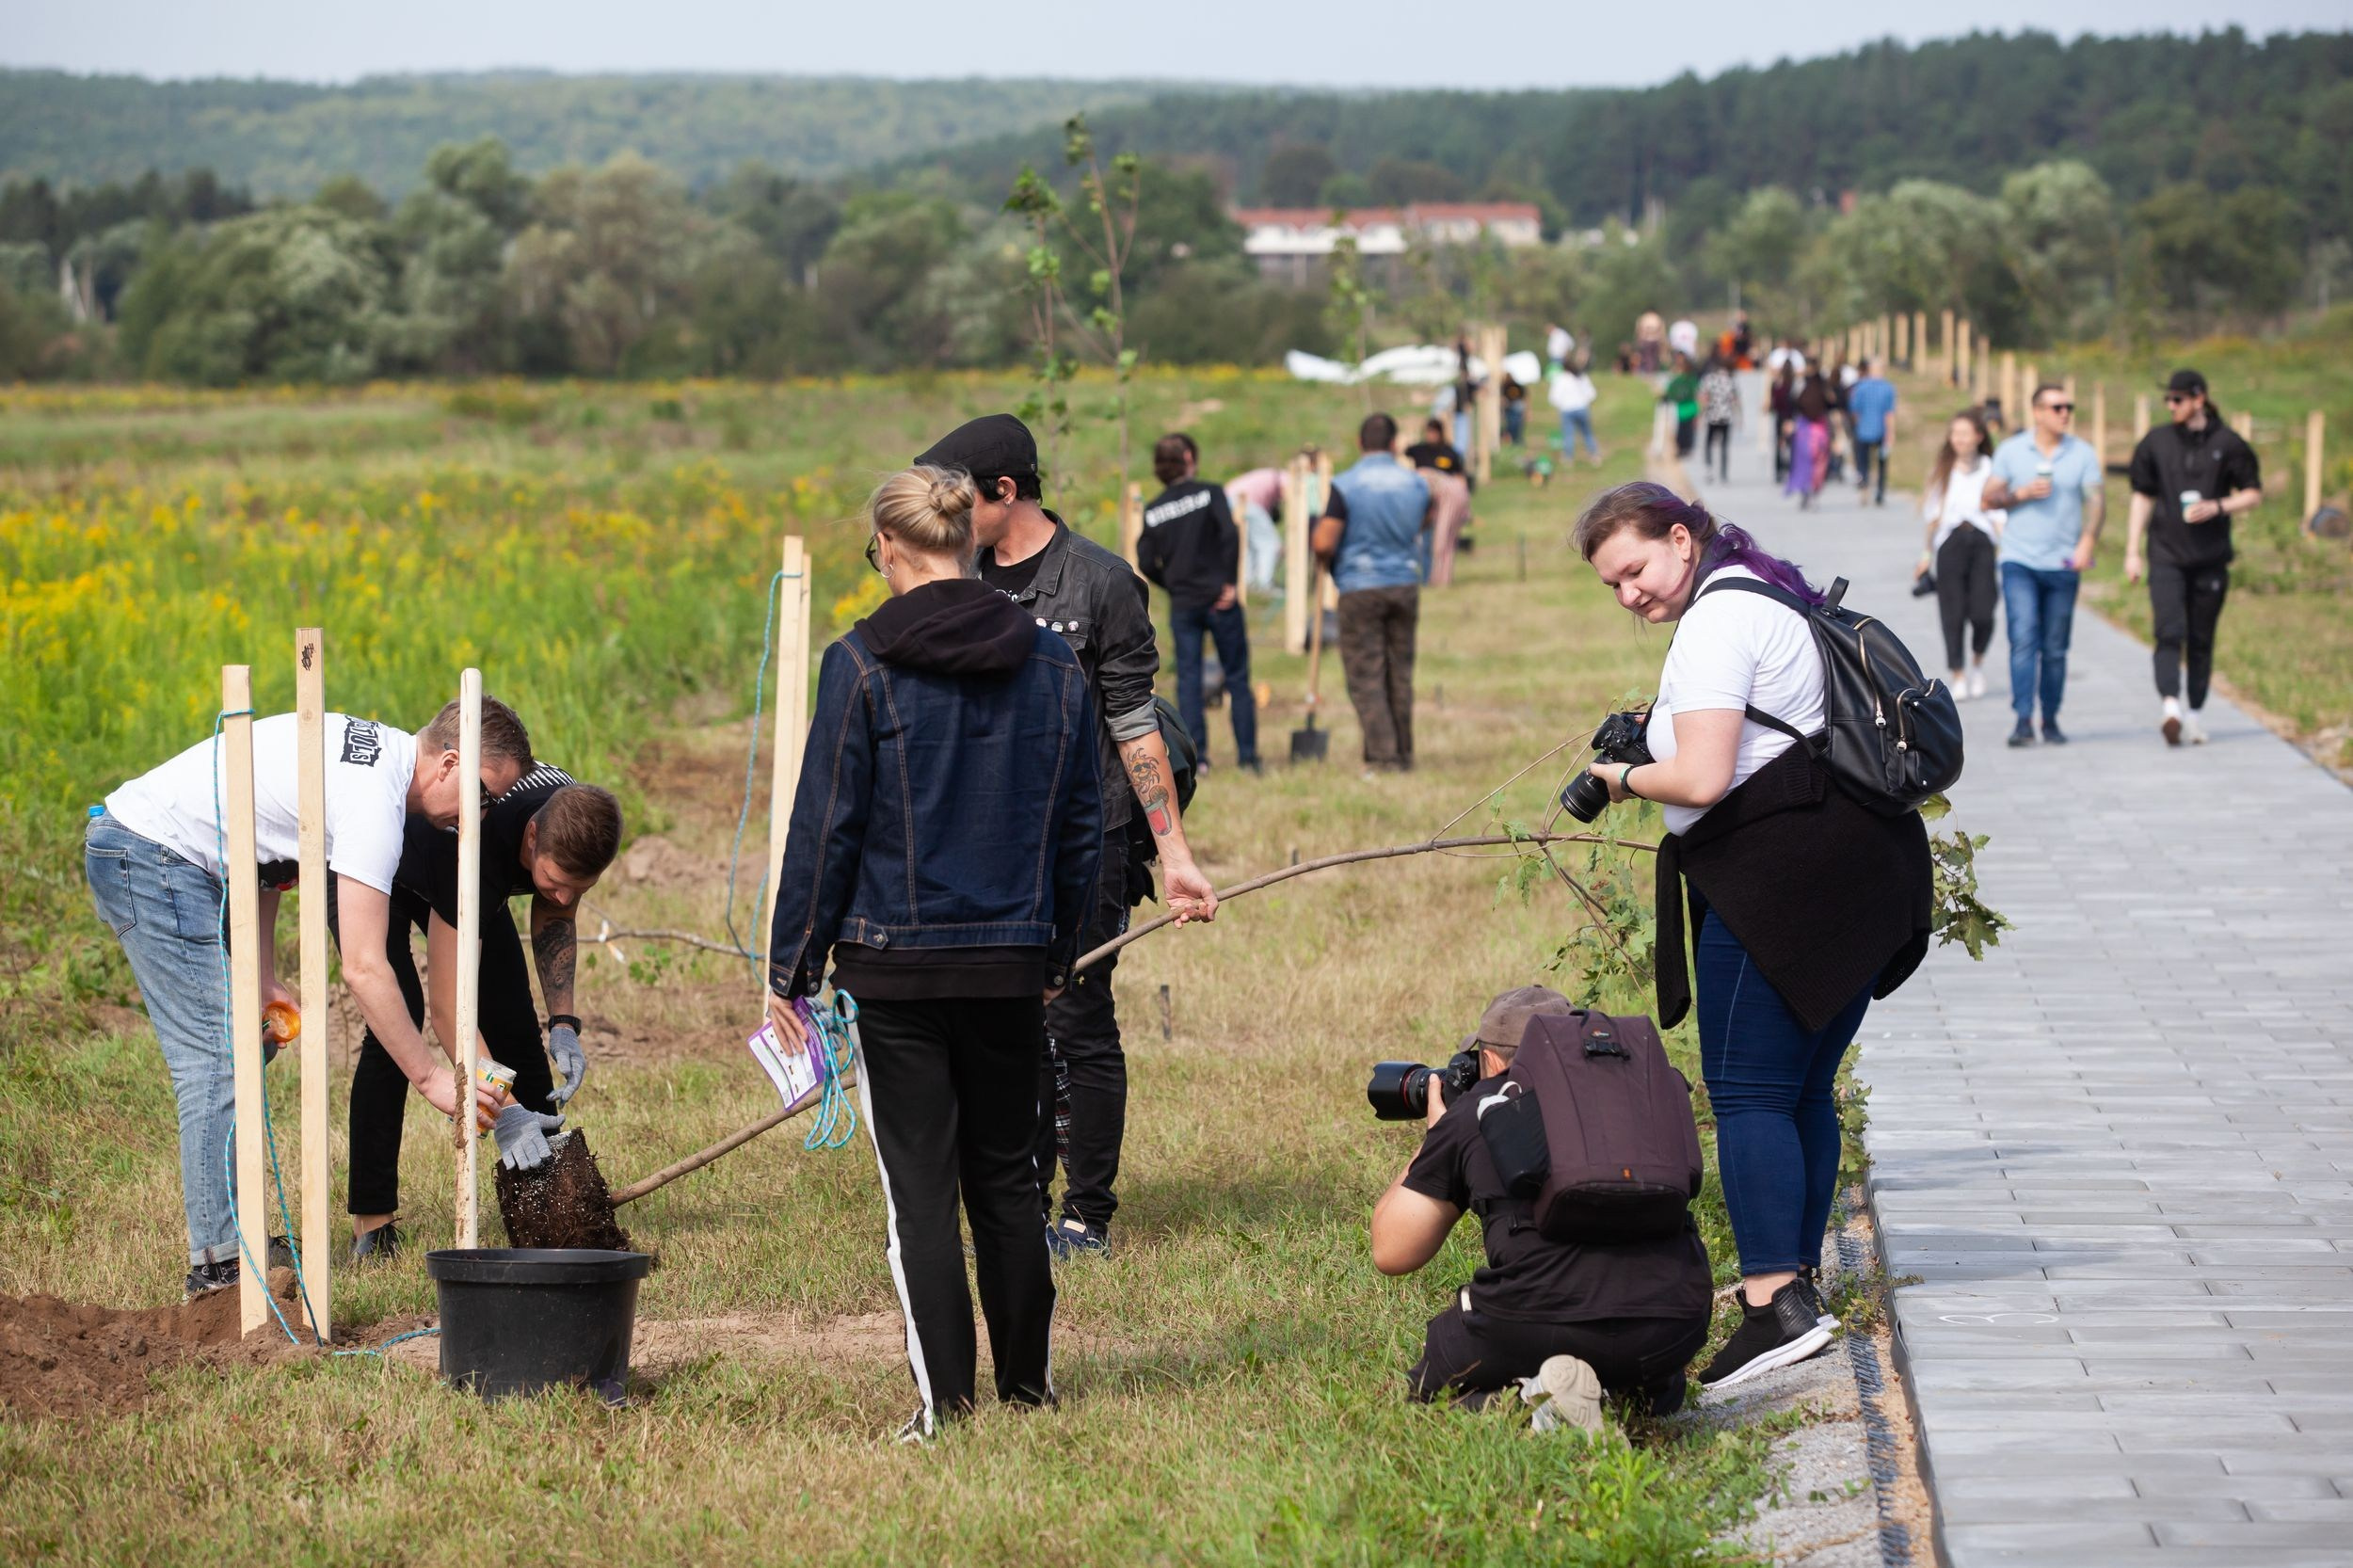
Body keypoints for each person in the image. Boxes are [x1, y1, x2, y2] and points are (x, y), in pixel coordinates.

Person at [765, 466, 1104, 1442]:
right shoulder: (1052, 660)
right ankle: (1028, 1391)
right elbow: (1083, 825)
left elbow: (826, 824)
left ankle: (943, 1408)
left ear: (888, 548)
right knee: (1008, 1181)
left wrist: (790, 965)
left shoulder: (862, 659)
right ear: (968, 539)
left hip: (893, 970)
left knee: (918, 1192)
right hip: (1011, 963)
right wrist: (1060, 952)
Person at [1571, 482, 1931, 1388]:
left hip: (1783, 883)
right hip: (1860, 870)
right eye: (1611, 585)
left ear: (1681, 539)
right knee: (1802, 1090)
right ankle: (1797, 1286)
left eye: (1636, 569)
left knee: (1750, 1095)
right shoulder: (1765, 589)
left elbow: (1698, 778)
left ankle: (1773, 1303)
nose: (1630, 596)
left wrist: (1618, 777)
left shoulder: (1715, 624)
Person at [87, 699, 526, 1296]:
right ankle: (217, 1267)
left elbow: (267, 857)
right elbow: (366, 969)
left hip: (168, 856)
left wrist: (262, 971)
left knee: (239, 1050)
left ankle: (229, 1234)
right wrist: (430, 1079)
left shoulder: (377, 763)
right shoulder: (375, 802)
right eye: (481, 795)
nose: (479, 815)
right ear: (449, 762)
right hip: (153, 857)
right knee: (217, 1061)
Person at [915, 413, 1218, 1260]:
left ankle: (1086, 1214)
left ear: (1005, 493)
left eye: (955, 498)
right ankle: (1017, 1200)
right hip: (982, 841)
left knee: (1076, 1019)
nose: (941, 516)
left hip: (1088, 839)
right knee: (1002, 1024)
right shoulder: (954, 574)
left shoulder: (1101, 583)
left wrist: (1178, 854)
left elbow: (1135, 724)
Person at [1371, 985, 1714, 1429]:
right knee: (1655, 1384)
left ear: (1490, 1061)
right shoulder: (1640, 1090)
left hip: (1538, 1317)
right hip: (1674, 1318)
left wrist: (1436, 1138)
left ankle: (1534, 1403)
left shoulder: (1480, 1106)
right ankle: (1620, 1396)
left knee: (1429, 1396)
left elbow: (1393, 1251)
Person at [338, 769, 624, 1262]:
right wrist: (504, 1110)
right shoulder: (478, 849)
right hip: (384, 866)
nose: (561, 896)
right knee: (396, 1016)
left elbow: (555, 914)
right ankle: (373, 1224)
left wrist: (563, 1025)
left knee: (513, 1019)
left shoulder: (574, 817)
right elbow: (450, 1010)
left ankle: (553, 1199)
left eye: (577, 888)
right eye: (554, 881)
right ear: (532, 837)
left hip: (468, 880)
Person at [2124, 369, 2263, 747]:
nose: (2171, 405)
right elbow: (2142, 496)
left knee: (2202, 638)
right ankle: (2171, 708)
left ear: (2199, 399)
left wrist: (2218, 506)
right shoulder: (2156, 441)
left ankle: (2196, 717)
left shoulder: (2229, 443)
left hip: (2210, 557)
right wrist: (2132, 551)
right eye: (2168, 399)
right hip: (2165, 553)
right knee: (2168, 631)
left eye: (2178, 399)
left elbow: (2253, 493)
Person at [1985, 385, 2105, 748]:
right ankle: (2022, 719)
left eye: (2068, 406)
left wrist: (2087, 542)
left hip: (2064, 563)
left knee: (2054, 647)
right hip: (2019, 559)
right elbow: (1988, 498)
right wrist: (2020, 494)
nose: (2064, 413)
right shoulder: (2012, 450)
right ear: (2037, 412)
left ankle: (2050, 718)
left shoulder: (2082, 453)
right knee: (2023, 637)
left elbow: (2097, 502)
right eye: (2056, 407)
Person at [1316, 412, 1433, 778]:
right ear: (1395, 443)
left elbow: (1324, 540)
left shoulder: (1345, 484)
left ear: (1359, 442)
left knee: (1367, 674)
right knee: (1399, 671)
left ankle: (1383, 759)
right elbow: (1425, 519)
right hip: (1404, 582)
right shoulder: (1415, 483)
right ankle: (1403, 752)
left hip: (1360, 585)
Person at [1137, 433, 1259, 775]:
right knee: (1236, 678)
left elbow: (1145, 560)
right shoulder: (1210, 493)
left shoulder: (1154, 510)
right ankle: (1248, 758)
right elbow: (1230, 536)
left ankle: (1198, 759)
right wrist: (1230, 583)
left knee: (1189, 680)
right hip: (1221, 601)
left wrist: (1173, 586)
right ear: (1189, 457)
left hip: (1185, 604)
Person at [1915, 409, 2004, 703]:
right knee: (1951, 613)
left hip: (1982, 542)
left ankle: (1977, 663)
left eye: (1965, 434)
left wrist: (2005, 548)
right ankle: (1958, 674)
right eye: (1955, 434)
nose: (1960, 440)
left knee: (1983, 611)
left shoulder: (1993, 468)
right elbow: (1932, 517)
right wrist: (1926, 555)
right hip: (1950, 543)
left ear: (1979, 436)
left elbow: (2001, 515)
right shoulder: (1943, 469)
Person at [1404, 417, 1474, 586]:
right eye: (1429, 431)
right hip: (1426, 502)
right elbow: (1402, 453)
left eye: (1434, 432)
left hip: (1446, 501)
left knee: (1443, 542)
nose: (1431, 435)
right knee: (1424, 542)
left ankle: (1441, 579)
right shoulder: (1418, 450)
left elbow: (1460, 477)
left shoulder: (1449, 452)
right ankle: (1427, 578)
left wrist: (1466, 509)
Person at [1785, 362, 1840, 507]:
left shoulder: (1801, 387)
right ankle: (1814, 491)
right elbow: (1832, 404)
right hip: (1820, 430)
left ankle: (1806, 492)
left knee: (1804, 462)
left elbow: (1792, 404)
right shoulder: (1823, 387)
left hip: (1804, 429)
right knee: (1819, 464)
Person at [1225, 465, 1286, 594]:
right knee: (1270, 544)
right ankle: (1265, 584)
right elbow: (1291, 491)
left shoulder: (1267, 476)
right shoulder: (1287, 478)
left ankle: (1249, 583)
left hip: (1228, 500)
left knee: (1248, 545)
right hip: (1246, 502)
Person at [1847, 358, 1897, 507]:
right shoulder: (1888, 388)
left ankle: (1864, 485)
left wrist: (1856, 427)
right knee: (1881, 462)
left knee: (1863, 461)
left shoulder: (1860, 387)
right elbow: (1890, 413)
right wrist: (1891, 432)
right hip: (1881, 430)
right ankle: (1880, 492)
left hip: (1863, 430)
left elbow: (1855, 411)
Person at [1549, 353, 1601, 466]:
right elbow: (1592, 394)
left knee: (1568, 434)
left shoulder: (1560, 379)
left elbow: (1554, 397)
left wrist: (1562, 405)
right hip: (1582, 407)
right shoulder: (1581, 377)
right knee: (1587, 433)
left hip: (1567, 409)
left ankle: (1568, 459)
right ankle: (1594, 456)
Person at [1698, 352, 1739, 484]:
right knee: (1724, 446)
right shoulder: (1730, 381)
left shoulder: (1709, 379)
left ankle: (1709, 469)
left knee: (1709, 444)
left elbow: (1704, 398)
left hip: (1712, 415)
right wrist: (1739, 416)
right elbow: (1735, 400)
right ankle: (1723, 473)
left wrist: (1700, 414)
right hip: (1726, 416)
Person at [1662, 352, 1701, 460]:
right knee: (1680, 431)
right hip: (1680, 408)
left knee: (1687, 431)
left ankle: (1686, 449)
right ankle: (1681, 449)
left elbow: (1695, 392)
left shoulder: (1689, 379)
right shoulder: (1676, 378)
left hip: (1689, 407)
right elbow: (1670, 391)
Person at [1500, 372, 1528, 446]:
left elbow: (1524, 397)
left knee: (1517, 425)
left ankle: (1516, 440)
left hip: (1516, 408)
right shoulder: (1504, 386)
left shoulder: (1516, 386)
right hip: (1509, 408)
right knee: (1511, 425)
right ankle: (1513, 439)